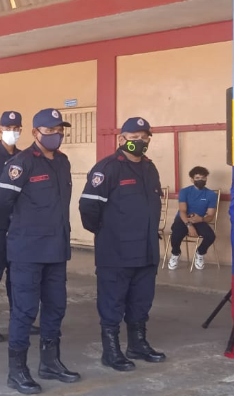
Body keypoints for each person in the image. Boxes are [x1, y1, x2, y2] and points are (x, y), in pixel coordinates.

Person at [0, 108, 80, 394]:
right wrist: (23, 228)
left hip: (56, 249)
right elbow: (3, 203)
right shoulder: (20, 163)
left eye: (59, 130)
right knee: (25, 311)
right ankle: (16, 371)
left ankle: (50, 362)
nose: (56, 135)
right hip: (27, 251)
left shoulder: (63, 162)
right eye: (50, 130)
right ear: (35, 133)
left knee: (56, 308)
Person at [79, 117, 167, 372]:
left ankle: (137, 344)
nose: (139, 142)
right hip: (116, 250)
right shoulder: (107, 168)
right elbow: (88, 207)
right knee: (113, 301)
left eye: (144, 137)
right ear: (121, 139)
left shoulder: (150, 168)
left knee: (142, 300)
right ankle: (111, 350)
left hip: (146, 249)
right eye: (133, 137)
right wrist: (105, 232)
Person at [0, 110, 38, 342]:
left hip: (19, 225)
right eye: (8, 128)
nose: (12, 132)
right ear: (0, 129)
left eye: (16, 128)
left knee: (18, 274)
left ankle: (19, 319)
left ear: (21, 130)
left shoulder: (23, 157)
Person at [167, 166, 218, 270]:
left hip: (199, 220)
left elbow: (211, 215)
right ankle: (175, 253)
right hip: (183, 219)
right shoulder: (185, 191)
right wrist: (189, 225)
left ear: (206, 179)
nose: (200, 180)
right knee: (176, 234)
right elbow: (182, 211)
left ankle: (200, 253)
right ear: (192, 179)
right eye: (197, 178)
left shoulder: (211, 195)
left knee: (210, 236)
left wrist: (201, 219)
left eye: (203, 178)